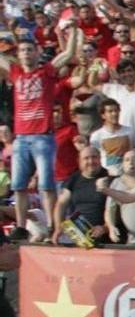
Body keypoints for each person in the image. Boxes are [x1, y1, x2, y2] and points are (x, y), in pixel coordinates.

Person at [0, 34, 78, 241]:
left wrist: (73, 31)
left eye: (29, 50)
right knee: (18, 185)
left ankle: (52, 225)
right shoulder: (15, 73)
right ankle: (20, 227)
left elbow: (68, 54)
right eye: (23, 50)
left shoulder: (46, 72)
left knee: (46, 185)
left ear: (37, 52)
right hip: (21, 138)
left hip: (43, 136)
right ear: (18, 55)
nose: (26, 54)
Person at [52, 147, 109, 245]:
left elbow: (115, 208)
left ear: (100, 159)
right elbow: (61, 204)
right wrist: (58, 228)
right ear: (79, 161)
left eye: (94, 157)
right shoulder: (73, 179)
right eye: (86, 158)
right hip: (78, 231)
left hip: (103, 232)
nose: (90, 161)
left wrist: (105, 228)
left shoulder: (109, 177)